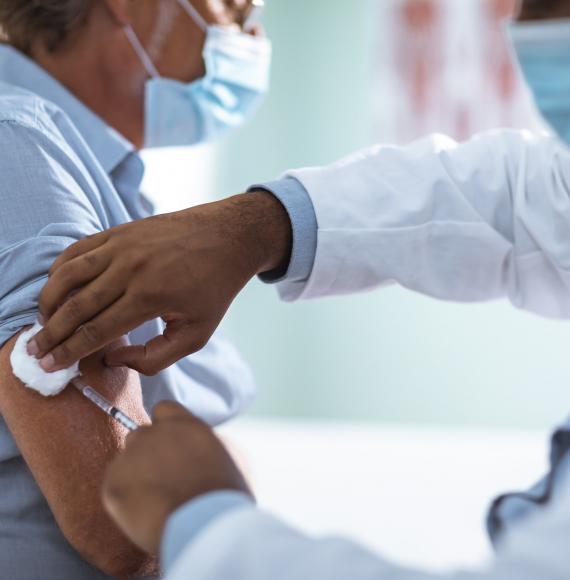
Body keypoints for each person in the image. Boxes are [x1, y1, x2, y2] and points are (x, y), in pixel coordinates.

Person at [26, 0, 570, 578]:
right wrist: (264, 224)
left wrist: (208, 530)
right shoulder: (23, 148)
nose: (525, 25)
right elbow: (527, 200)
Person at [0, 0, 267, 578]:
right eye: (236, 7)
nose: (253, 31)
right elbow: (118, 522)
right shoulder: (17, 144)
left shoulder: (96, 174)